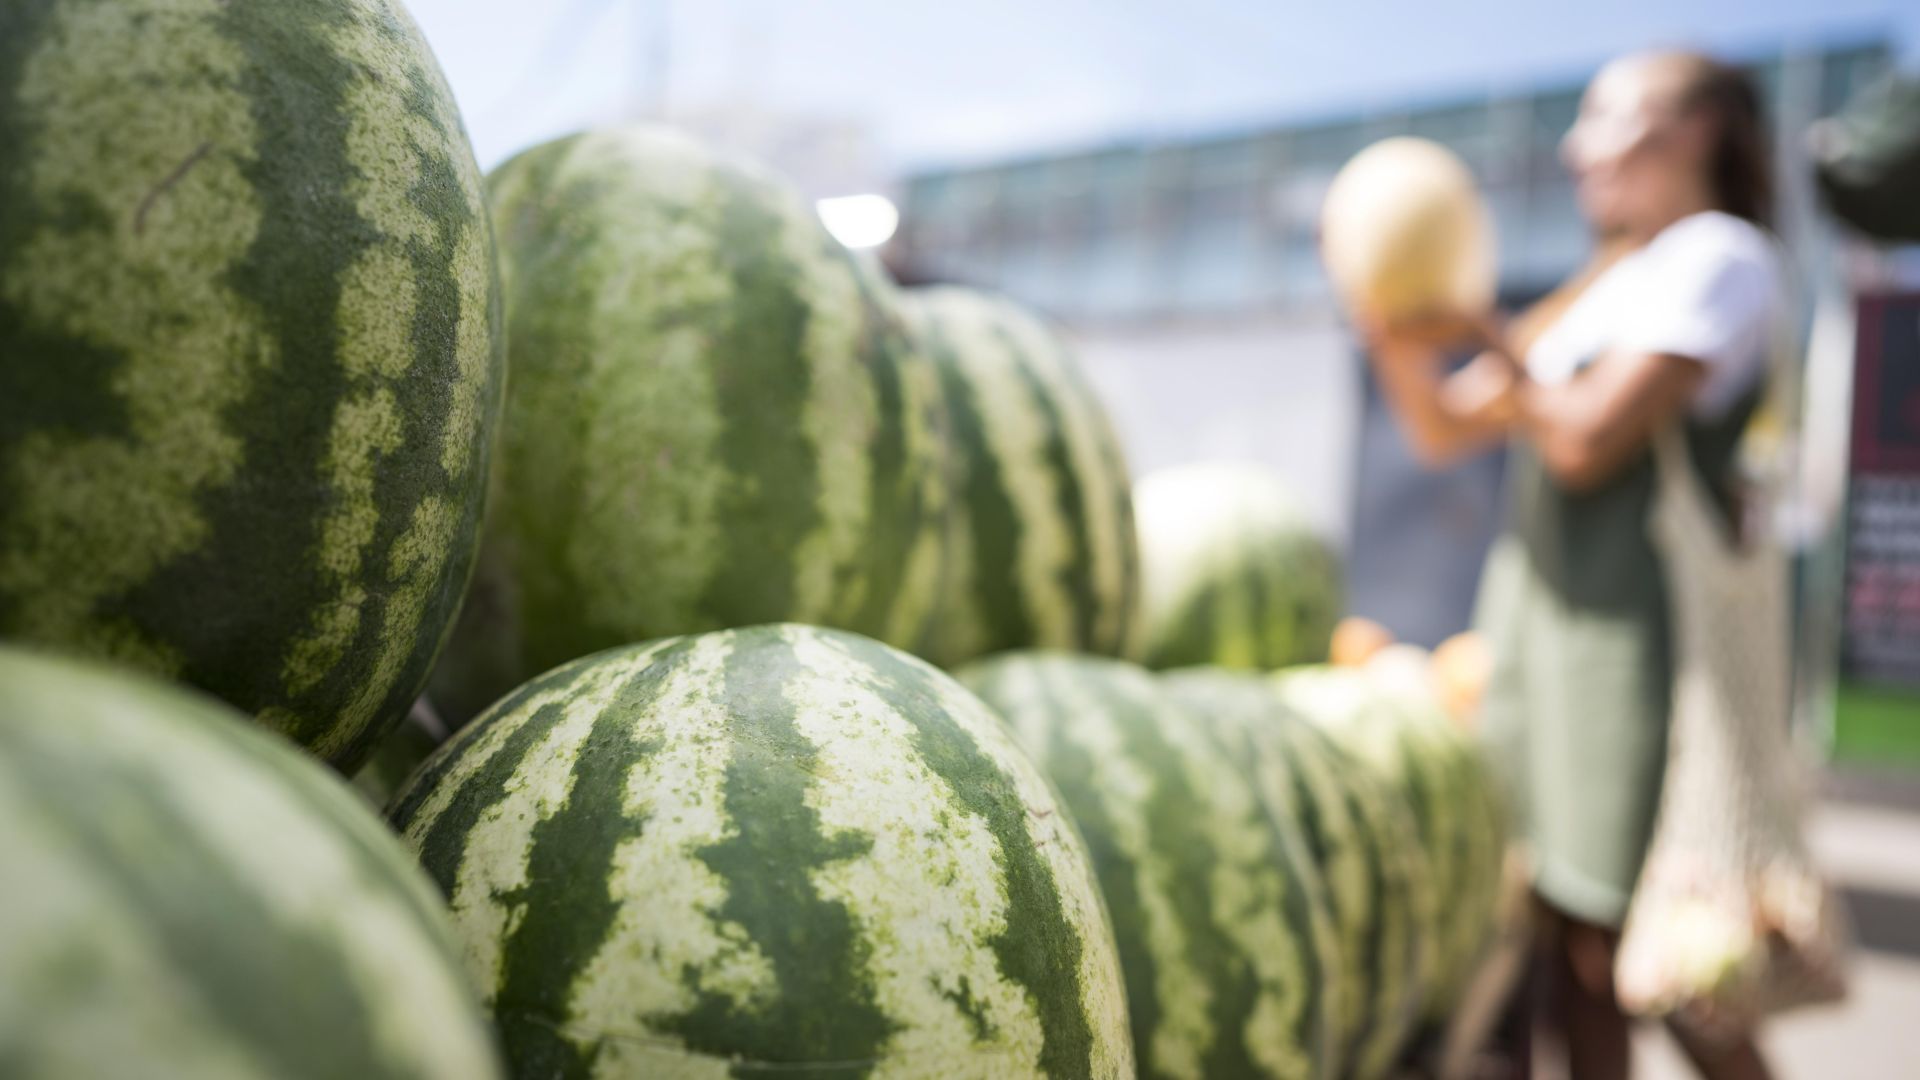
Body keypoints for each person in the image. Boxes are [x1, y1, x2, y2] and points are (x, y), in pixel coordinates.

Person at [1364, 51, 1786, 1080]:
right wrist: (1386, 318)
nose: (1576, 146)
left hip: (1627, 652)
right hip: (1540, 641)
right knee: (1569, 956)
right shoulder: (1609, 278)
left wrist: (1486, 334)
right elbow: (1442, 427)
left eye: (1606, 118)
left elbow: (1587, 440)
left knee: (1652, 958)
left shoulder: (1719, 258)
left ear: (1693, 131)